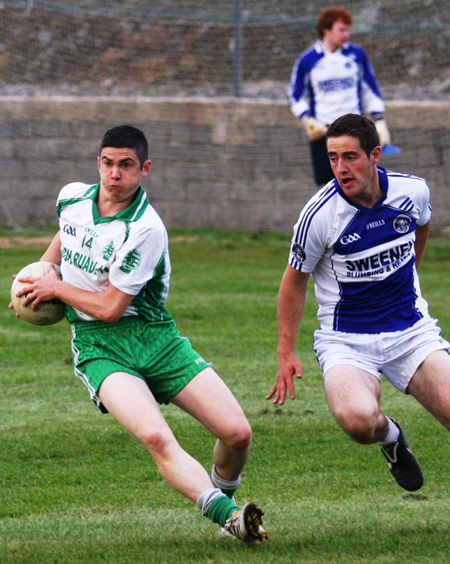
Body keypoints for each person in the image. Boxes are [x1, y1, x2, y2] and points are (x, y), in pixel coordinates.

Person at [11, 124, 268, 545]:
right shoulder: (72, 198)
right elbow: (67, 232)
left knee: (237, 433)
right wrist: (36, 278)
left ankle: (224, 504)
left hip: (155, 337)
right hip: (99, 346)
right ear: (98, 163)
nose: (115, 174)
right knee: (154, 435)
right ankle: (232, 518)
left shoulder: (144, 229)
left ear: (144, 169)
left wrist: (55, 287)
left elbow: (112, 307)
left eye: (126, 165)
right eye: (108, 163)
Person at [267, 113, 450, 492]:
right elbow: (293, 283)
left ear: (375, 155)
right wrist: (286, 352)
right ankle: (391, 439)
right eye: (333, 158)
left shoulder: (412, 191)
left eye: (350, 156)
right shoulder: (318, 216)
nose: (340, 168)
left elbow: (423, 224)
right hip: (347, 341)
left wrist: (410, 270)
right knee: (358, 421)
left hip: (412, 332)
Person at [288, 6, 391, 186]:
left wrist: (380, 120)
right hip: (324, 133)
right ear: (326, 30)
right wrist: (307, 120)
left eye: (348, 29)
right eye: (342, 30)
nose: (346, 34)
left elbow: (371, 90)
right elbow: (295, 96)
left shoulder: (356, 55)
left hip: (356, 131)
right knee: (329, 187)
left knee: (360, 183)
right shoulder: (308, 60)